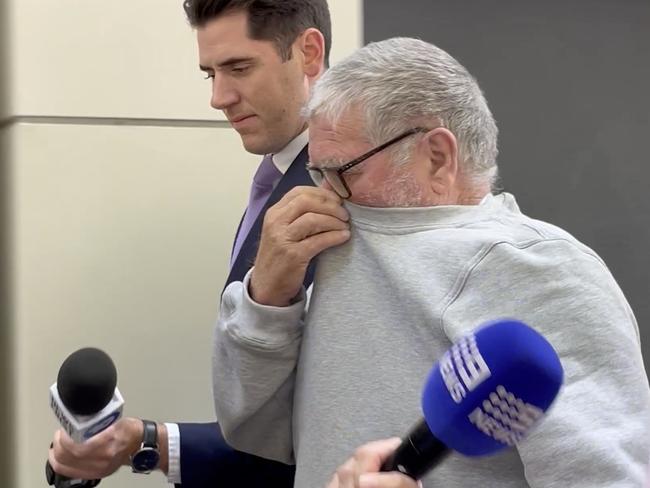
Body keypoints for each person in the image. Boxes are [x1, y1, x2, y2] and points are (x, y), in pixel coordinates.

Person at [213, 37, 650, 487]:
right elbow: (258, 434)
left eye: (345, 171)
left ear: (437, 157)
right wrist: (265, 301)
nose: (325, 196)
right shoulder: (334, 242)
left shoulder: (543, 273)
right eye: (318, 172)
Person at [47, 1, 331, 486]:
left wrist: (144, 442)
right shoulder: (282, 178)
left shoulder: (344, 190)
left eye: (239, 68)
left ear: (308, 52)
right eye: (210, 74)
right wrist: (139, 441)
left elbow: (315, 439)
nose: (219, 98)